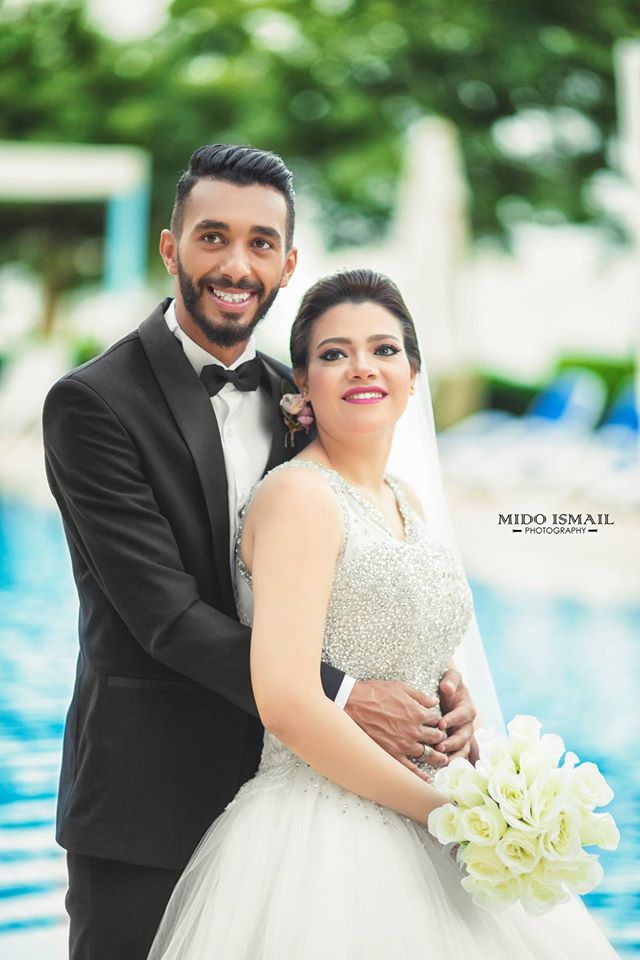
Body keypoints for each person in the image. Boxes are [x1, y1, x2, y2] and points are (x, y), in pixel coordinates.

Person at [42, 145, 477, 959]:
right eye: (212, 237)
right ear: (171, 249)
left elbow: (356, 562)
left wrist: (435, 687)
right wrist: (343, 694)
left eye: (261, 243)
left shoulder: (305, 392)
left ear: (288, 263)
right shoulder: (92, 404)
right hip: (150, 797)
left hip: (311, 800)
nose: (236, 265)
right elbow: (165, 617)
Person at [147, 268, 619, 960]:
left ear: (413, 375)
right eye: (334, 353)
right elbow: (286, 703)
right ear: (303, 384)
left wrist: (457, 704)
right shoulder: (299, 498)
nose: (362, 366)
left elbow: (415, 645)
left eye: (384, 349)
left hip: (433, 808)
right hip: (326, 835)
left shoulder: (407, 502)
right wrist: (451, 817)